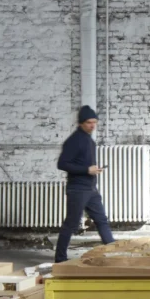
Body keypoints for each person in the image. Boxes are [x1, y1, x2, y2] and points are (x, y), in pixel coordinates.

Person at [54, 105, 115, 263]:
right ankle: (60, 259)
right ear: (81, 123)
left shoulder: (89, 141)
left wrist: (93, 170)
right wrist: (86, 170)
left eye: (94, 122)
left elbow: (85, 164)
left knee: (102, 220)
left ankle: (116, 254)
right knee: (71, 224)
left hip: (90, 189)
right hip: (77, 190)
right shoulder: (74, 141)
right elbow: (62, 164)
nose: (92, 125)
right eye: (89, 122)